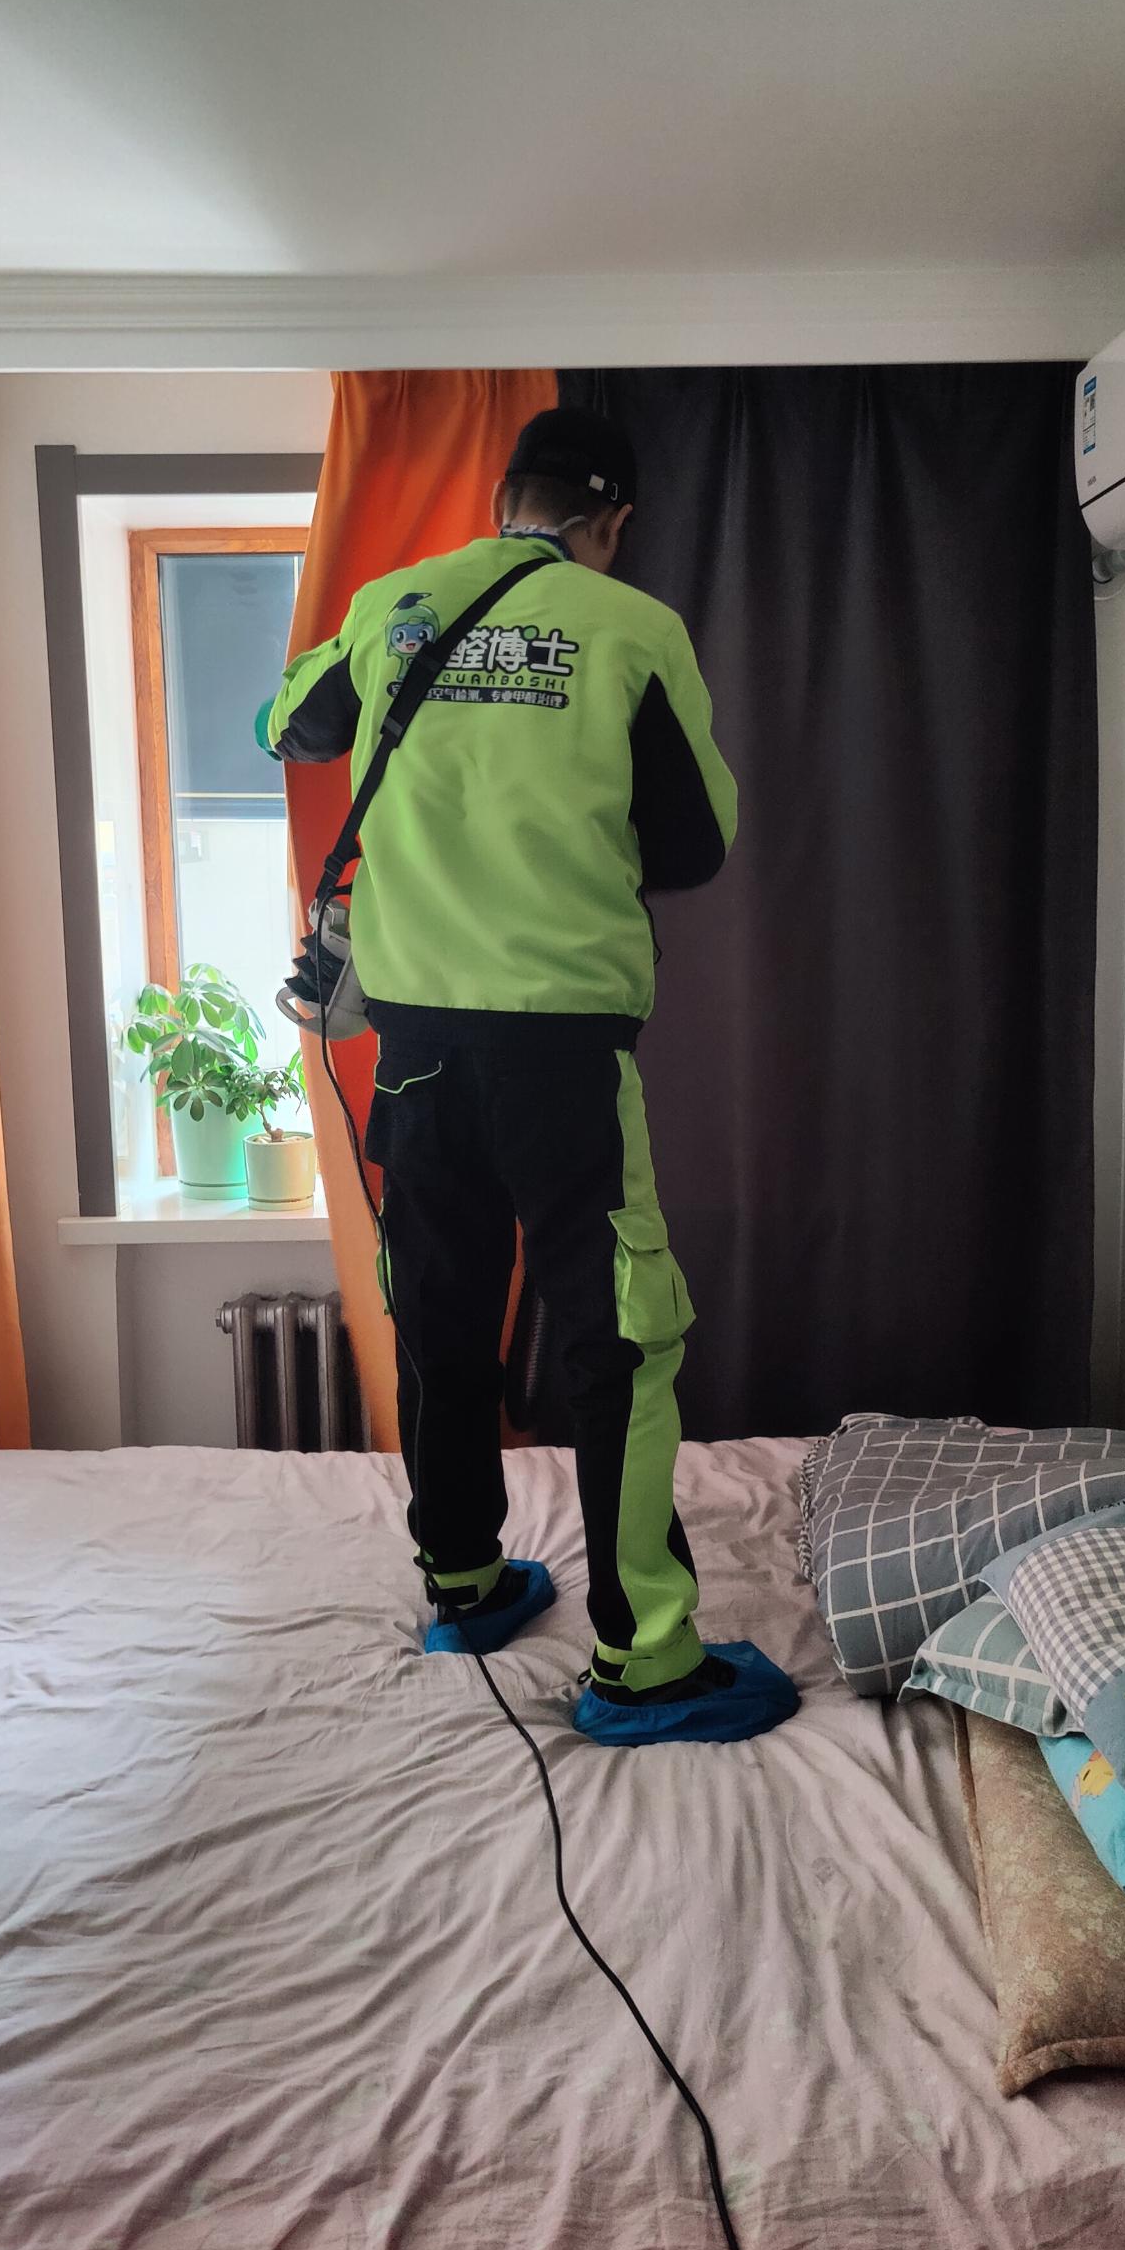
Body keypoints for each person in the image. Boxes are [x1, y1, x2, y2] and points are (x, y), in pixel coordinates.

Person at [258, 406, 798, 1746]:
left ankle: (462, 1581)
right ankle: (646, 1663)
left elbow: (288, 726)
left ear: (505, 498)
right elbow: (696, 842)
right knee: (618, 1337)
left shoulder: (390, 606)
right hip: (560, 1052)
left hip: (415, 1051)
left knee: (439, 1314)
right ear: (612, 522)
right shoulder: (632, 629)